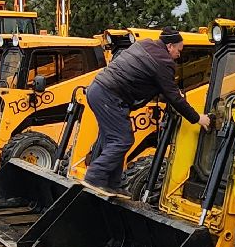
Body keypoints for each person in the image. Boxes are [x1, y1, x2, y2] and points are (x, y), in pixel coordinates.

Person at [82, 26, 210, 193]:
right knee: (123, 140)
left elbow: (143, 79)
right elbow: (174, 98)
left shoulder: (144, 45)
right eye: (179, 50)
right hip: (109, 96)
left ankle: (112, 184)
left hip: (98, 90)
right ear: (170, 46)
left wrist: (165, 90)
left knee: (112, 140)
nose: (179, 55)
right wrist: (198, 118)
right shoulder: (164, 62)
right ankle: (94, 177)